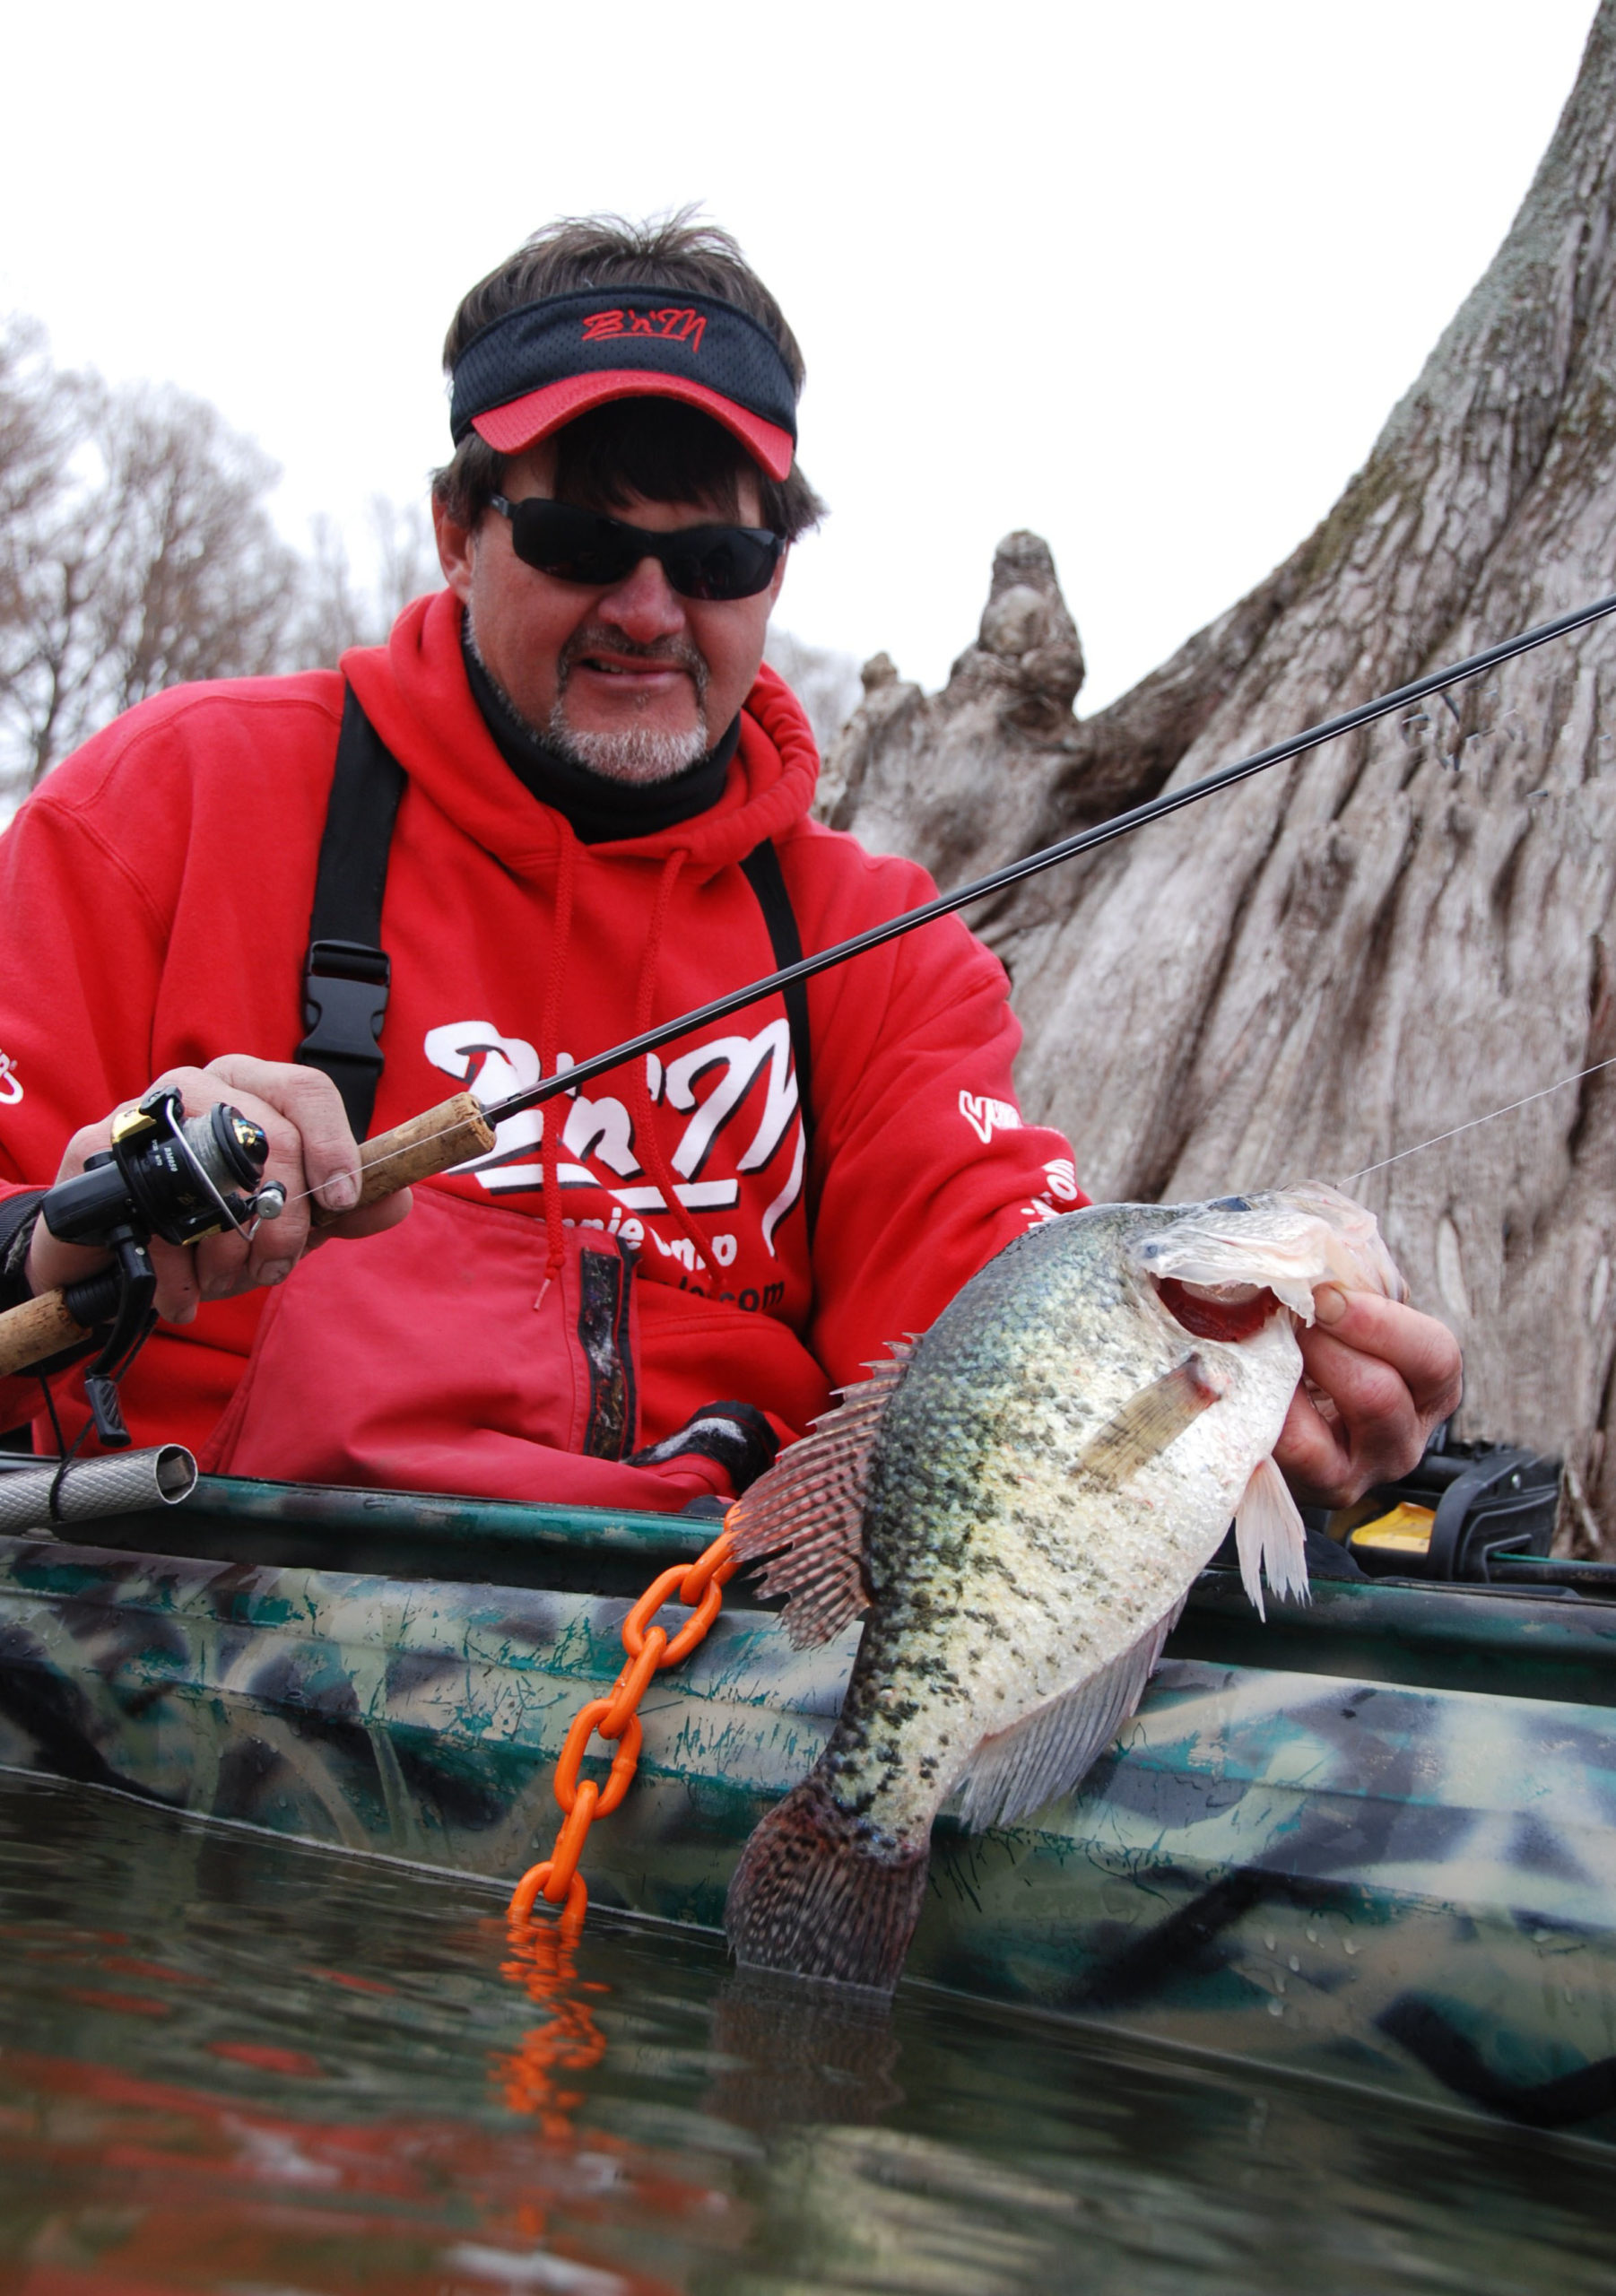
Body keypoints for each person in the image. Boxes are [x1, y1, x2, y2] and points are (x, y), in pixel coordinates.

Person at [0, 213, 1460, 1514]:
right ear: (457, 532)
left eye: (714, 562)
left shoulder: (886, 952)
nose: (648, 609)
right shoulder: (173, 799)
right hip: (197, 1632)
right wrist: (77, 1226)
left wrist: (1241, 1391)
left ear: (777, 571)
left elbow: (995, 1303)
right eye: (579, 537)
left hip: (721, 1652)